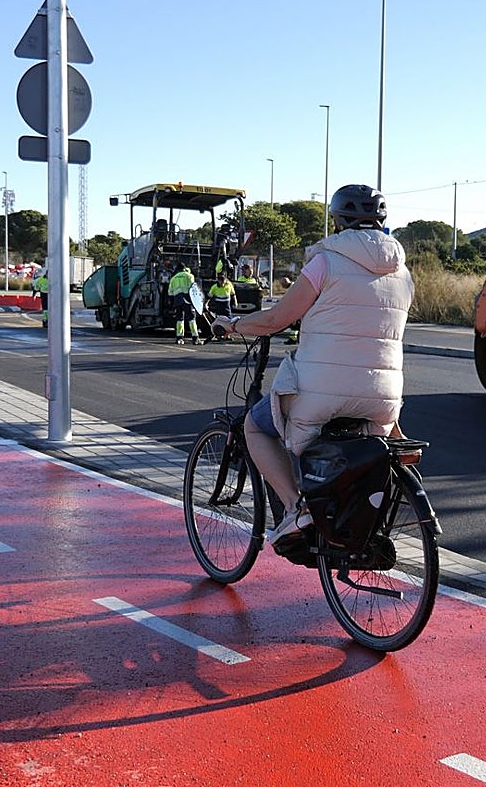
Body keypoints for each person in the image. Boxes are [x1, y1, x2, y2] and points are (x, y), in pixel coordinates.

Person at [212, 184, 414, 548]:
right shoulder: (403, 273)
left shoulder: (325, 261)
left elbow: (277, 318)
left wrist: (235, 325)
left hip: (321, 393)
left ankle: (296, 509)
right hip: (383, 397)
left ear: (337, 220)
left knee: (256, 428)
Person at [167, 263, 200, 345]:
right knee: (191, 319)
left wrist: (172, 304)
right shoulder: (189, 276)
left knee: (179, 319)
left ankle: (179, 338)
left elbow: (170, 292)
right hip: (187, 300)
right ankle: (195, 337)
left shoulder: (173, 278)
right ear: (184, 268)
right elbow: (193, 289)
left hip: (177, 300)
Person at [206, 271, 235, 341]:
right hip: (219, 306)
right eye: (220, 280)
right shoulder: (214, 287)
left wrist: (235, 302)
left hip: (226, 306)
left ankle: (227, 335)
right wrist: (206, 304)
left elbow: (233, 294)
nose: (222, 282)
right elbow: (209, 296)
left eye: (223, 280)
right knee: (219, 321)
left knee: (229, 321)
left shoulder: (229, 285)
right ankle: (218, 335)